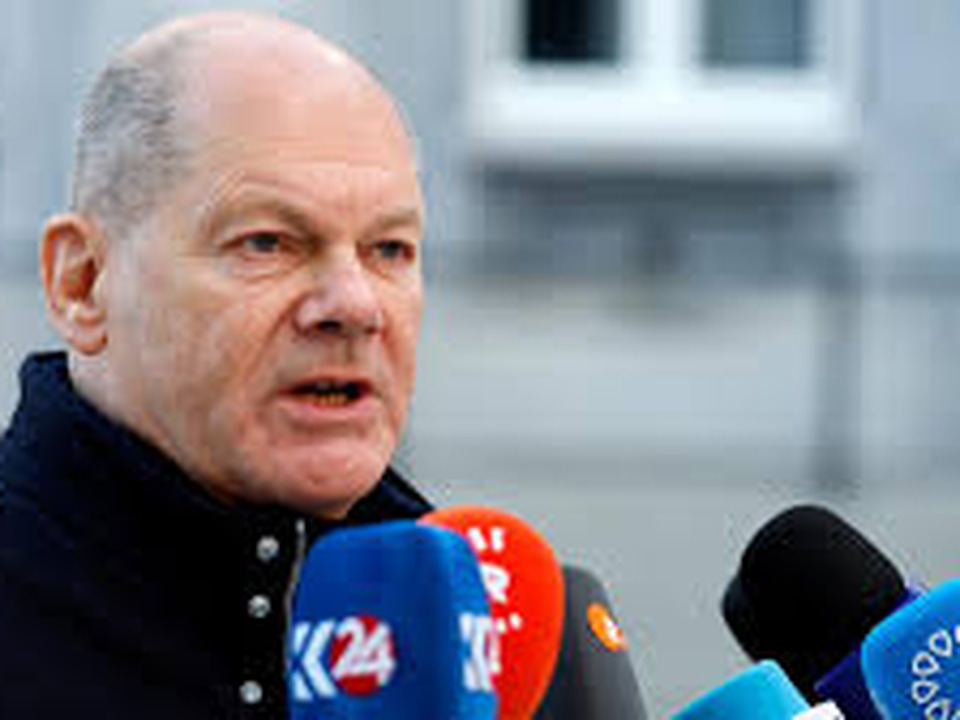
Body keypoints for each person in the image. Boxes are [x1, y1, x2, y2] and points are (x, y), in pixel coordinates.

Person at [0, 11, 433, 719]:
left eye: (389, 250)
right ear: (82, 283)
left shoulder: (493, 630)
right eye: (267, 243)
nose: (356, 305)